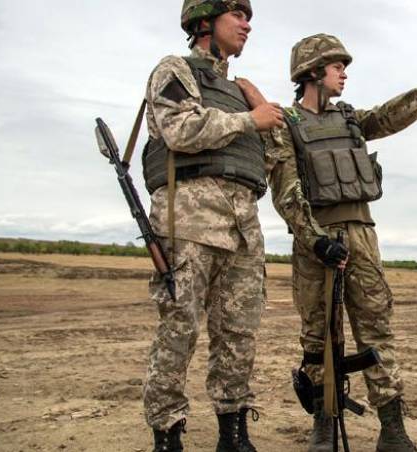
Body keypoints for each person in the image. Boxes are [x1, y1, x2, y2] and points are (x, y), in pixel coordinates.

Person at [259, 33, 417, 452]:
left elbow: (393, 114)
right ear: (313, 72)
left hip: (362, 237)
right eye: (337, 66)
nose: (344, 74)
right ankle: (324, 426)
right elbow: (286, 192)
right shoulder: (284, 124)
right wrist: (315, 242)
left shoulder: (350, 119)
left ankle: (393, 431)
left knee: (376, 331)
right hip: (316, 245)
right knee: (317, 338)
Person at [140, 1, 285, 451]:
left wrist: (261, 108)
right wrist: (250, 119)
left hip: (243, 228)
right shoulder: (175, 69)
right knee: (179, 331)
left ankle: (233, 433)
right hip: (189, 220)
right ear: (204, 21)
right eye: (237, 15)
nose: (247, 25)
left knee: (239, 334)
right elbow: (179, 129)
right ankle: (167, 435)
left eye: (249, 18)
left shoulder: (241, 91)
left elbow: (274, 157)